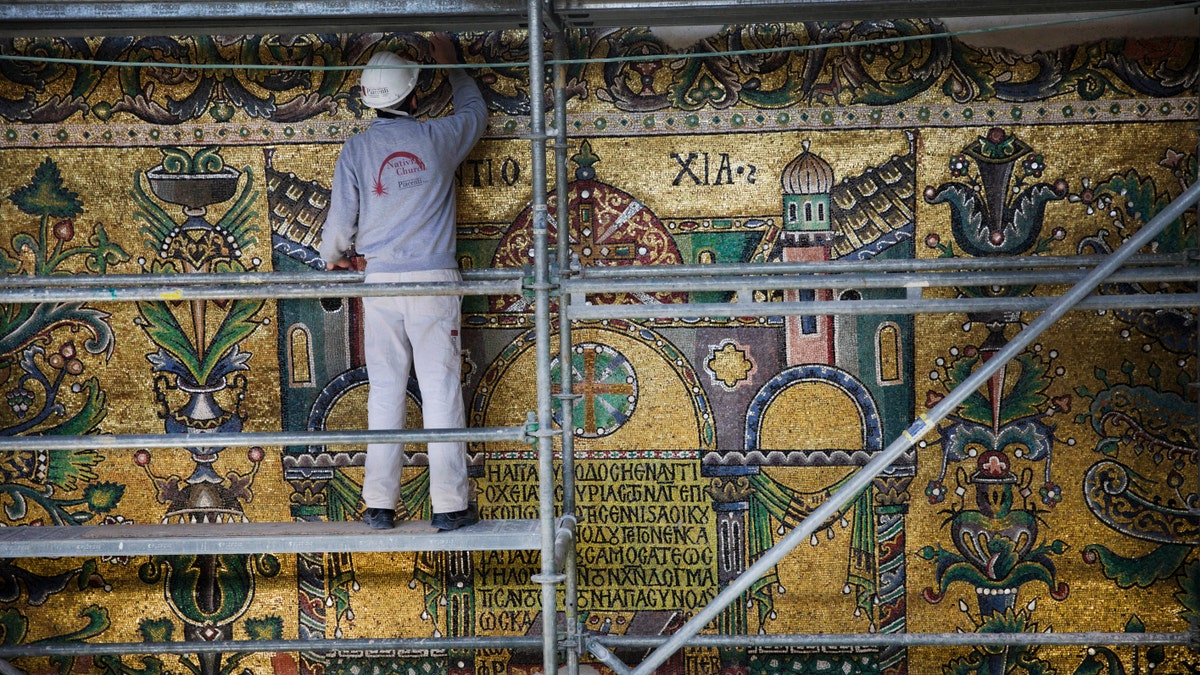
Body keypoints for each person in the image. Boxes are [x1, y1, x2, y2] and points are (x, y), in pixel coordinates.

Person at [319, 33, 488, 531]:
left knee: (385, 390)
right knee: (440, 390)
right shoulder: (437, 140)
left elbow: (337, 231)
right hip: (434, 282)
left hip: (381, 284)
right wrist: (453, 63)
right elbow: (477, 112)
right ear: (413, 96)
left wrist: (338, 261)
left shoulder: (355, 150)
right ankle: (451, 507)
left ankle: (379, 506)